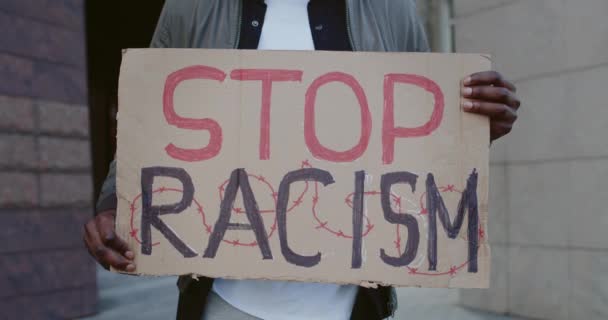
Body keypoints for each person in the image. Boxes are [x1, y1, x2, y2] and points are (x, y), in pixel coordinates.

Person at [83, 0, 521, 319]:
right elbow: (150, 121)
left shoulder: (392, 11)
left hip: (350, 304)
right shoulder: (192, 9)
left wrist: (474, 126)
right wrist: (113, 205)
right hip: (222, 301)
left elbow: (420, 135)